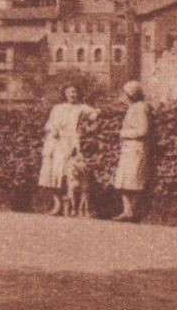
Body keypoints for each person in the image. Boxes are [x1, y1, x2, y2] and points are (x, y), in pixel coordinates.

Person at [38, 83, 99, 216]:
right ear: (65, 94)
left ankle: (74, 207)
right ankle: (57, 205)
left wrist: (89, 123)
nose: (72, 94)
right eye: (70, 92)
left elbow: (95, 115)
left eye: (74, 92)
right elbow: (49, 123)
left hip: (72, 143)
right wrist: (52, 129)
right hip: (56, 142)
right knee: (55, 173)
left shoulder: (82, 107)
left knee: (72, 174)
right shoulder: (57, 108)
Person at [112, 81, 155, 222]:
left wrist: (124, 133)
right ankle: (128, 211)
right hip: (129, 149)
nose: (124, 96)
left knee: (134, 180)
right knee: (122, 180)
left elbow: (143, 130)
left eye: (125, 93)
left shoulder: (141, 108)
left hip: (137, 148)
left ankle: (131, 211)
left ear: (131, 94)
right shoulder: (133, 108)